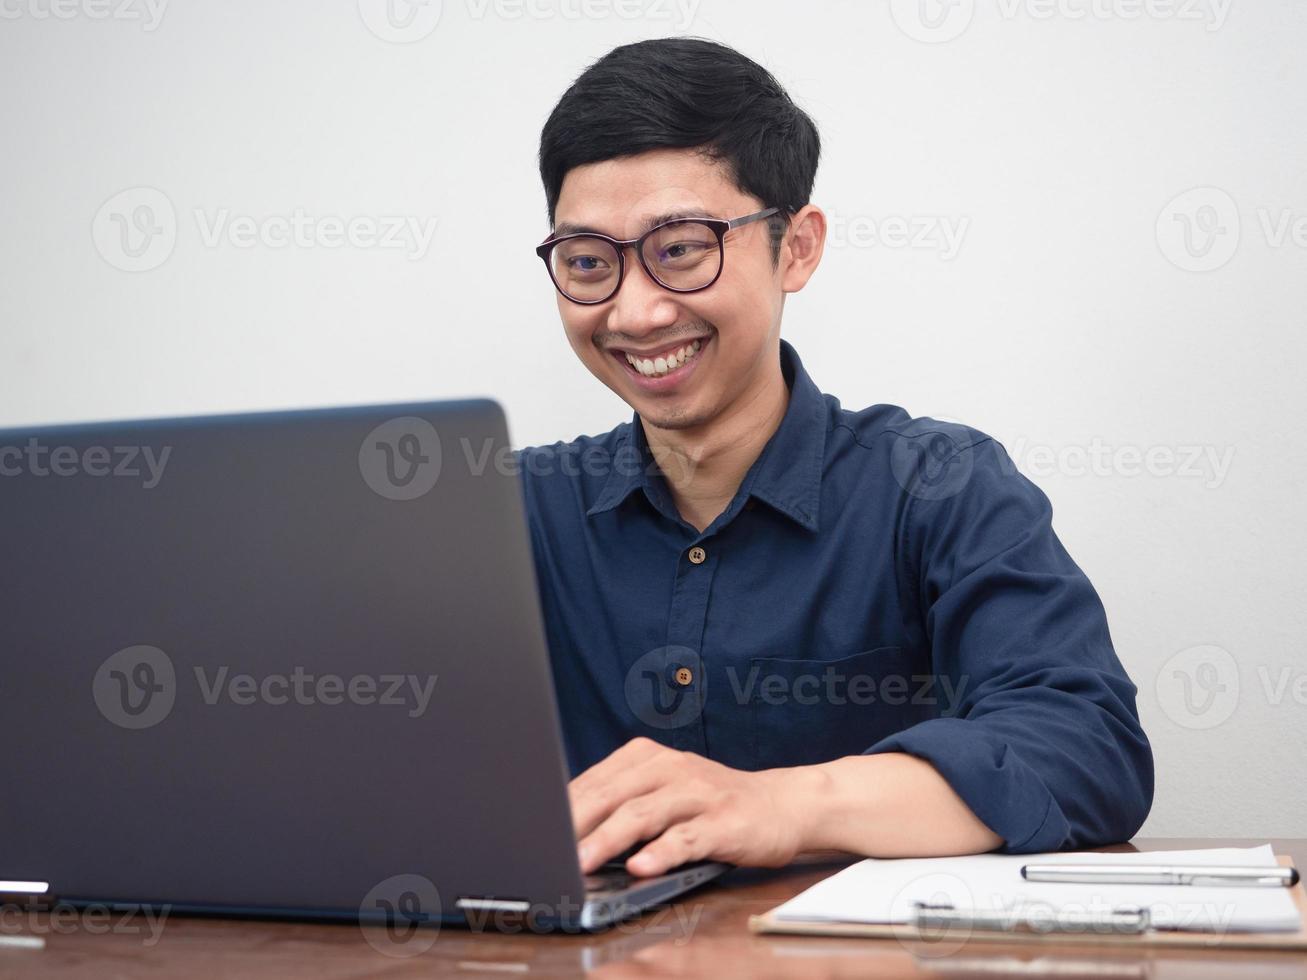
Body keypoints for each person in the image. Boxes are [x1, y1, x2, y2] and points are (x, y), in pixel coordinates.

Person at [517, 37, 1153, 880]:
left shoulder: (939, 487)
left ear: (796, 247)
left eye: (679, 248)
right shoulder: (509, 514)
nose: (634, 312)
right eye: (589, 262)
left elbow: (1087, 747)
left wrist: (782, 804)